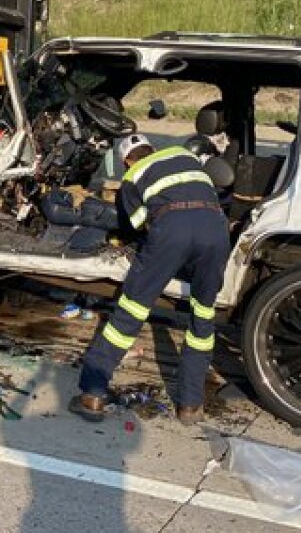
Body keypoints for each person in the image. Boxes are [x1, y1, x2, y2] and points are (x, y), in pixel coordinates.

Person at [69, 134, 231, 426]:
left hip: (172, 232)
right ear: (152, 149)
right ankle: (191, 406)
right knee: (203, 318)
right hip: (216, 232)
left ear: (125, 160)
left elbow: (139, 226)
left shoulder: (132, 176)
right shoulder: (185, 157)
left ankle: (92, 393)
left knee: (130, 312)